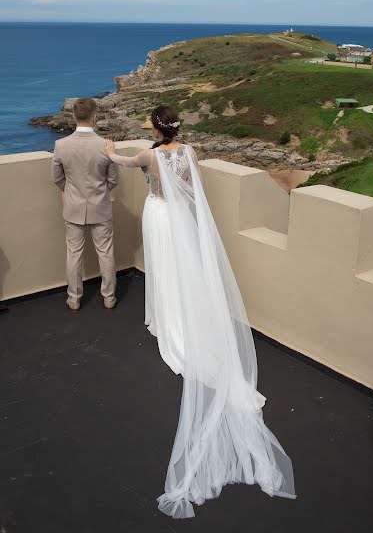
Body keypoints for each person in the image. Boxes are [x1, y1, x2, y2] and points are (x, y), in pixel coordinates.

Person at [105, 105, 295, 518]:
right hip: (182, 219)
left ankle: (167, 319)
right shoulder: (190, 153)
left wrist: (107, 148)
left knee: (162, 267)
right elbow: (193, 188)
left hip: (159, 216)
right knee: (182, 269)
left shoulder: (149, 155)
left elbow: (119, 160)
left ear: (157, 127)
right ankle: (181, 316)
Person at [52, 98, 119, 311]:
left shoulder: (61, 145)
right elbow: (114, 179)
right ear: (95, 117)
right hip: (101, 207)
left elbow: (58, 178)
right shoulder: (105, 146)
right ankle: (109, 298)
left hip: (73, 208)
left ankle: (74, 299)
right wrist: (100, 193)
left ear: (73, 116)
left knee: (73, 255)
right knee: (106, 253)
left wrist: (72, 193)